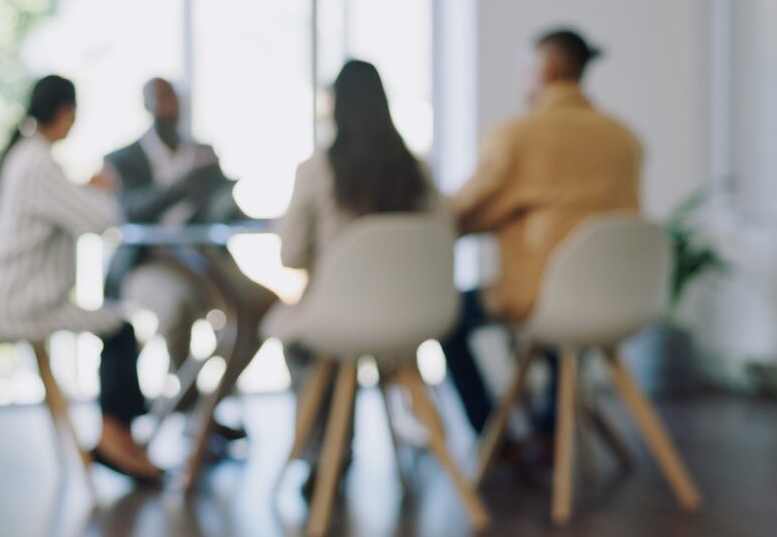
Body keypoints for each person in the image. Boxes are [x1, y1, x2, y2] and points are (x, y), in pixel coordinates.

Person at [446, 28, 643, 436]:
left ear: (548, 69)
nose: (522, 81)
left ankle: (493, 439)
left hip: (542, 297)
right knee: (567, 285)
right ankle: (551, 422)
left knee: (447, 316)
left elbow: (465, 209)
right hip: (617, 294)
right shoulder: (625, 139)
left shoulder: (519, 135)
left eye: (525, 70)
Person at [267, 59, 450, 493]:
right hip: (414, 319)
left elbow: (290, 254)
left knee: (303, 343)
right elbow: (446, 235)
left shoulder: (317, 170)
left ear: (336, 108)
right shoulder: (419, 171)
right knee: (325, 338)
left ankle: (324, 452)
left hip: (340, 320)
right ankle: (423, 444)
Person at [0, 75, 163, 483]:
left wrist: (79, 187)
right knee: (119, 327)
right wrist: (102, 189)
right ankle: (115, 438)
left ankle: (120, 436)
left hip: (0, 298)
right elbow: (103, 220)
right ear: (65, 113)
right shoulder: (40, 162)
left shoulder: (24, 156)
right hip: (20, 305)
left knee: (116, 325)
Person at [104, 78, 276, 431]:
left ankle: (208, 406)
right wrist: (183, 185)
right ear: (146, 105)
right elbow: (129, 211)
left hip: (207, 258)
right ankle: (185, 404)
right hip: (150, 261)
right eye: (159, 98)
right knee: (176, 306)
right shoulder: (123, 159)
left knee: (262, 303)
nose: (168, 105)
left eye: (172, 97)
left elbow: (225, 211)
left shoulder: (204, 152)